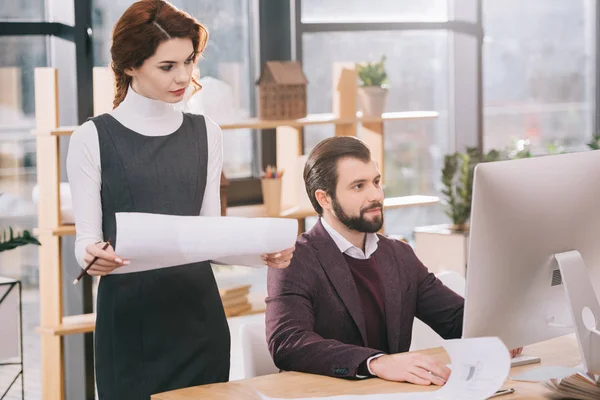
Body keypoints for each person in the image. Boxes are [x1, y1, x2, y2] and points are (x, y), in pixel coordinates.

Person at [66, 1, 293, 398]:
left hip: (199, 321)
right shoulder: (92, 137)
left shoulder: (207, 132)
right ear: (131, 65)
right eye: (167, 66)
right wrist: (91, 255)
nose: (184, 76)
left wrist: (260, 255)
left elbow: (206, 236)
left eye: (189, 61)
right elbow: (85, 239)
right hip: (130, 326)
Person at [265, 136, 521, 386]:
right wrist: (375, 362)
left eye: (376, 182)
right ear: (325, 199)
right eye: (359, 186)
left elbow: (455, 319)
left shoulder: (399, 255)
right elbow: (288, 343)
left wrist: (499, 329)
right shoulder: (293, 258)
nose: (375, 195)